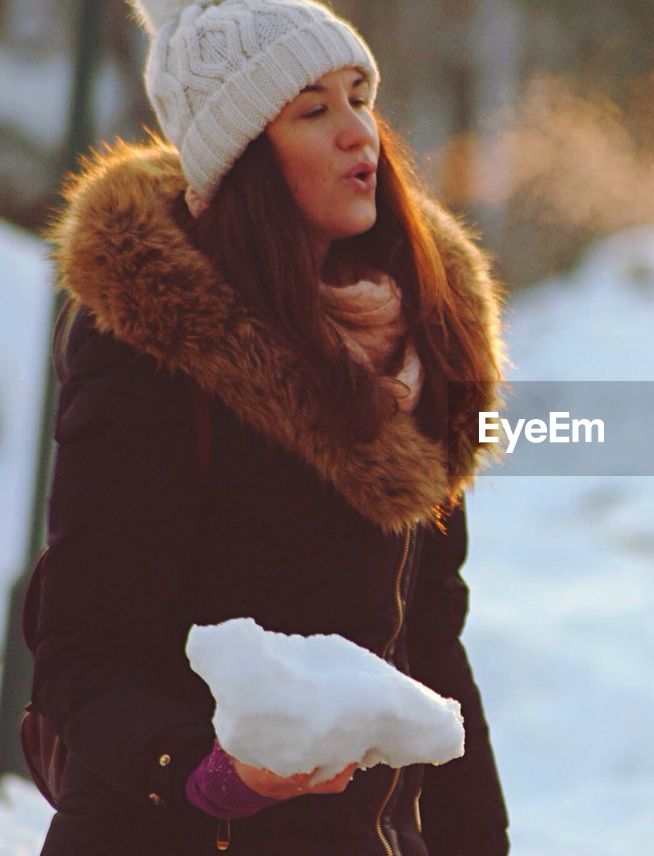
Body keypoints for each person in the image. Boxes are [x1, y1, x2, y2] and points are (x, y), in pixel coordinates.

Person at [30, 0, 510, 853]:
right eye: (313, 112)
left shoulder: (416, 344)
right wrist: (204, 772)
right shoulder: (155, 353)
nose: (359, 133)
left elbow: (431, 647)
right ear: (243, 154)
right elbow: (82, 650)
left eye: (360, 96)